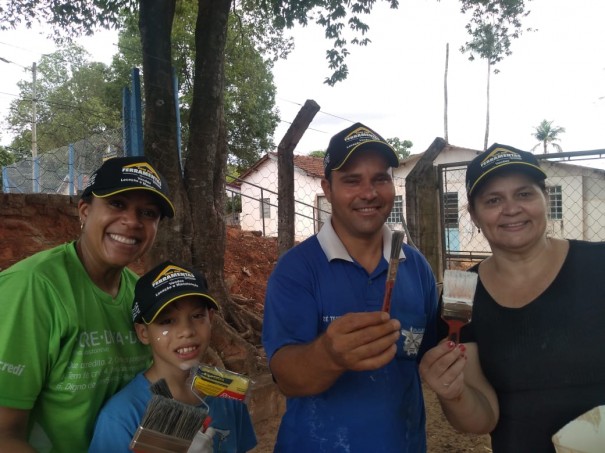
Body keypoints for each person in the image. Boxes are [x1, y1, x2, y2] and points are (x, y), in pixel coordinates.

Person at [262, 122, 439, 452]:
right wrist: (329, 354)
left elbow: (430, 358)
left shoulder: (416, 268)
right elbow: (286, 377)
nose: (368, 193)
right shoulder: (296, 271)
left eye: (380, 179)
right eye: (352, 180)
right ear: (328, 189)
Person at [419, 143, 605, 452]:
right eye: (493, 200)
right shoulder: (459, 291)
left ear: (544, 198)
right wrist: (454, 393)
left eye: (524, 193)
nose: (511, 209)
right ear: (474, 216)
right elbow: (482, 420)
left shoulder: (599, 265)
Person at [0, 156, 175, 452]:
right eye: (117, 204)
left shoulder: (140, 295)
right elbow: (5, 434)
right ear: (84, 211)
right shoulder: (32, 288)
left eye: (148, 212)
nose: (132, 221)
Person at [89, 260, 257, 452]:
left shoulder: (226, 390)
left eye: (197, 316)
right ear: (143, 332)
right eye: (167, 321)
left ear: (210, 319)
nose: (186, 331)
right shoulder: (122, 416)